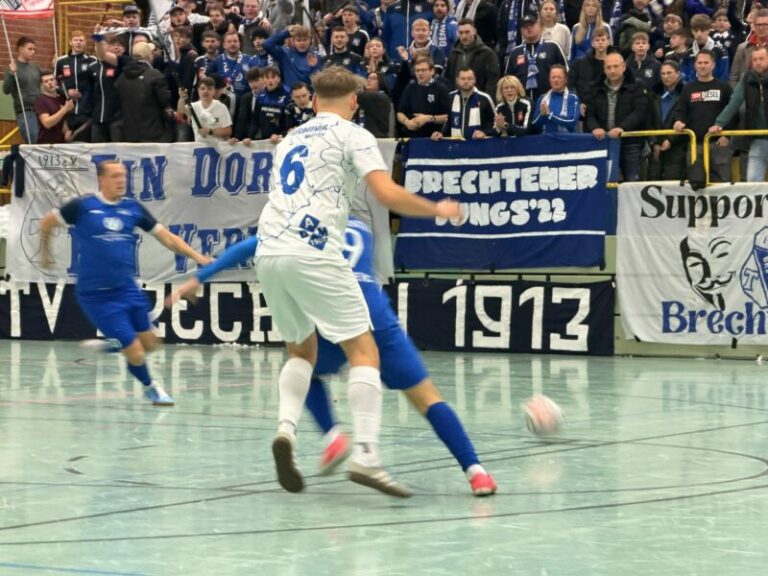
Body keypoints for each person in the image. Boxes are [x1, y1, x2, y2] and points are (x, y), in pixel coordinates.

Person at [166, 217, 498, 497]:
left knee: (302, 366)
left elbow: (252, 245)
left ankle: (332, 436)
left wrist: (199, 277)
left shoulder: (305, 222)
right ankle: (476, 472)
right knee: (427, 398)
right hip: (374, 315)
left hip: (329, 313)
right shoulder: (363, 227)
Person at [253, 66, 461, 497]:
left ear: (313, 100)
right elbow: (386, 194)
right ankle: (366, 455)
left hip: (268, 249)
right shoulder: (353, 134)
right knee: (364, 350)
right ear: (353, 102)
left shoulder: (288, 139)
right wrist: (436, 208)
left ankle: (285, 430)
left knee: (301, 349)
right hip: (314, 250)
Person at [39, 160, 210, 406]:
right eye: (115, 176)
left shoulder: (132, 208)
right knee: (137, 353)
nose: (121, 181)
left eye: (123, 176)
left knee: (152, 344)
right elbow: (46, 222)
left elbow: (167, 238)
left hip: (127, 289)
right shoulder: (83, 207)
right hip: (97, 296)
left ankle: (114, 345)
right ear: (101, 180)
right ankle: (152, 388)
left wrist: (197, 257)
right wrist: (45, 253)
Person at [585, 52, 649, 182]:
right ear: (604, 69)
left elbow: (640, 112)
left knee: (632, 182)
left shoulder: (637, 85)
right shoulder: (594, 87)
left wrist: (622, 128)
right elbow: (589, 114)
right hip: (603, 142)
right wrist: (595, 127)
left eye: (615, 66)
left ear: (624, 67)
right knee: (604, 182)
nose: (612, 70)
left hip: (631, 143)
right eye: (608, 67)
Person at [673, 49, 735, 182]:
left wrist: (727, 136)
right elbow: (680, 110)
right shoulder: (688, 88)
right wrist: (678, 121)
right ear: (695, 65)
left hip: (719, 144)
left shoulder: (724, 87)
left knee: (723, 182)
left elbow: (733, 112)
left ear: (713, 65)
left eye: (706, 63)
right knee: (696, 184)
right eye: (699, 63)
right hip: (695, 144)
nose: (702, 66)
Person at [711, 45, 768, 182]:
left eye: (761, 59)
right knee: (752, 181)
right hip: (757, 139)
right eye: (755, 60)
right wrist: (719, 123)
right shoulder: (746, 78)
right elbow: (734, 102)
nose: (758, 62)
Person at [432, 67, 495, 140]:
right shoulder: (450, 97)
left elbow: (494, 123)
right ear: (457, 80)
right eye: (463, 79)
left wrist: (484, 133)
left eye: (469, 78)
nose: (466, 81)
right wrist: (441, 133)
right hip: (456, 144)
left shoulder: (485, 98)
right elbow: (449, 121)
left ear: (474, 80)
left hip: (478, 144)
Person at [445, 19, 500, 99]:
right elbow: (448, 79)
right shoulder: (453, 54)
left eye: (467, 32)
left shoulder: (487, 53)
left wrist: (485, 100)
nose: (464, 36)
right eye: (461, 33)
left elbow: (493, 80)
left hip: (479, 99)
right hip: (457, 99)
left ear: (474, 31)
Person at [2, 37, 42, 144]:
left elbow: (48, 80)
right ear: (20, 49)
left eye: (34, 49)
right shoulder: (12, 68)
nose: (33, 52)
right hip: (25, 111)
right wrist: (11, 73)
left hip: (40, 109)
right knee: (33, 140)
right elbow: (6, 90)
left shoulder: (36, 68)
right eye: (30, 49)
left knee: (42, 141)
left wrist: (54, 66)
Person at [178, 77, 233, 143]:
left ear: (214, 91)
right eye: (203, 89)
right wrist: (182, 98)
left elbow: (228, 131)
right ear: (198, 91)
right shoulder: (193, 106)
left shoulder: (221, 107)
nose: (205, 91)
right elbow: (180, 112)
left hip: (217, 146)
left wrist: (210, 131)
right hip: (200, 146)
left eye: (209, 89)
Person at [531, 65, 579, 133]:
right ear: (549, 79)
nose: (556, 80)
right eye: (553, 77)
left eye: (559, 77)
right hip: (546, 138)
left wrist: (549, 115)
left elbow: (572, 121)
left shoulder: (572, 97)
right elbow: (534, 124)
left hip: (566, 139)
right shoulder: (542, 98)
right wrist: (542, 115)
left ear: (565, 80)